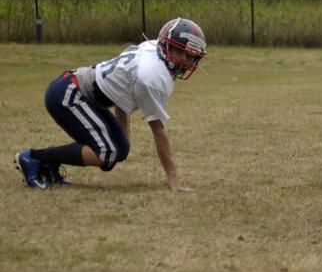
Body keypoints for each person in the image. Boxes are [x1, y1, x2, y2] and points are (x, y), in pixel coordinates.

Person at [14, 18, 207, 191]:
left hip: (82, 91)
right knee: (107, 152)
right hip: (70, 94)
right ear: (166, 47)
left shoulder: (152, 49)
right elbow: (157, 129)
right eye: (181, 53)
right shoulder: (152, 75)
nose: (186, 61)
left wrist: (122, 137)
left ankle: (49, 166)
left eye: (190, 56)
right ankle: (34, 158)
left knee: (119, 150)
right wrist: (173, 177)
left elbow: (121, 93)